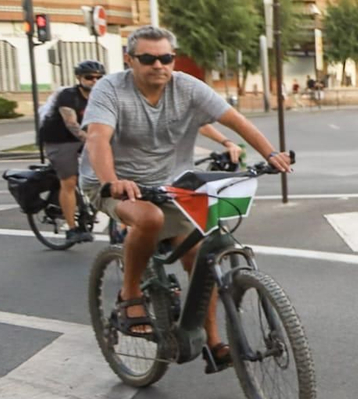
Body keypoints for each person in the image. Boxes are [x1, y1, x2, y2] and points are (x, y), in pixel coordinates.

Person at [81, 26, 288, 371]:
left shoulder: (187, 87)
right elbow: (97, 139)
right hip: (112, 183)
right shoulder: (110, 89)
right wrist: (111, 181)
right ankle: (130, 295)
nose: (158, 65)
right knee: (149, 219)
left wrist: (270, 154)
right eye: (148, 59)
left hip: (171, 185)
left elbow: (235, 120)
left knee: (201, 254)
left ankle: (213, 342)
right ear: (130, 60)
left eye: (166, 58)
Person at [39, 60, 105, 244]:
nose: (95, 81)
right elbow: (71, 123)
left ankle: (88, 209)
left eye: (99, 78)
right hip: (60, 140)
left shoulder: (103, 95)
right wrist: (93, 140)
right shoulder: (68, 95)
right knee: (69, 181)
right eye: (89, 77)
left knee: (105, 172)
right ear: (79, 78)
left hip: (86, 137)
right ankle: (72, 229)